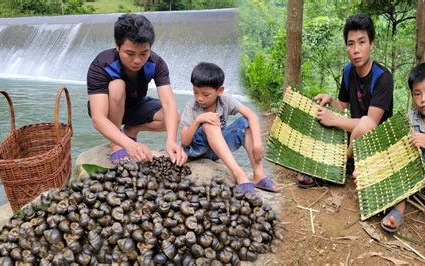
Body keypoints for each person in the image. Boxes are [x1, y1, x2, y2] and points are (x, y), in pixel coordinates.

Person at [297, 13, 394, 187]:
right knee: (322, 116)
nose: (356, 49)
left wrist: (334, 120)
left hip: (377, 145)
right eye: (351, 44)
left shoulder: (383, 78)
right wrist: (330, 101)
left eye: (362, 42)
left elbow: (371, 124)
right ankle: (336, 160)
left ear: (371, 44)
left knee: (365, 123)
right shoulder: (349, 71)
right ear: (346, 48)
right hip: (352, 141)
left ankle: (340, 162)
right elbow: (342, 105)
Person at [86, 14, 187, 166]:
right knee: (117, 86)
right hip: (108, 108)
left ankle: (131, 130)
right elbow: (98, 118)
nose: (137, 60)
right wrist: (129, 145)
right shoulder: (102, 64)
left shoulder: (156, 63)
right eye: (130, 53)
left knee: (174, 116)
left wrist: (171, 140)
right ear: (117, 46)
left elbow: (169, 104)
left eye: (144, 53)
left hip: (136, 105)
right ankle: (116, 144)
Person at [380, 62, 425, 253]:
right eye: (417, 94)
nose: (423, 99)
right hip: (407, 175)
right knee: (403, 155)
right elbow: (394, 155)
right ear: (412, 96)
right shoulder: (409, 120)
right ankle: (399, 209)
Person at [180, 62, 278, 193]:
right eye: (195, 92)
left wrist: (258, 145)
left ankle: (258, 175)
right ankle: (239, 174)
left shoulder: (225, 100)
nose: (199, 98)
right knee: (210, 122)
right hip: (197, 150)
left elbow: (252, 116)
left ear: (219, 91)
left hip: (217, 150)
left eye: (205, 94)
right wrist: (198, 120)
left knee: (244, 122)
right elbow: (184, 142)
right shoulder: (192, 106)